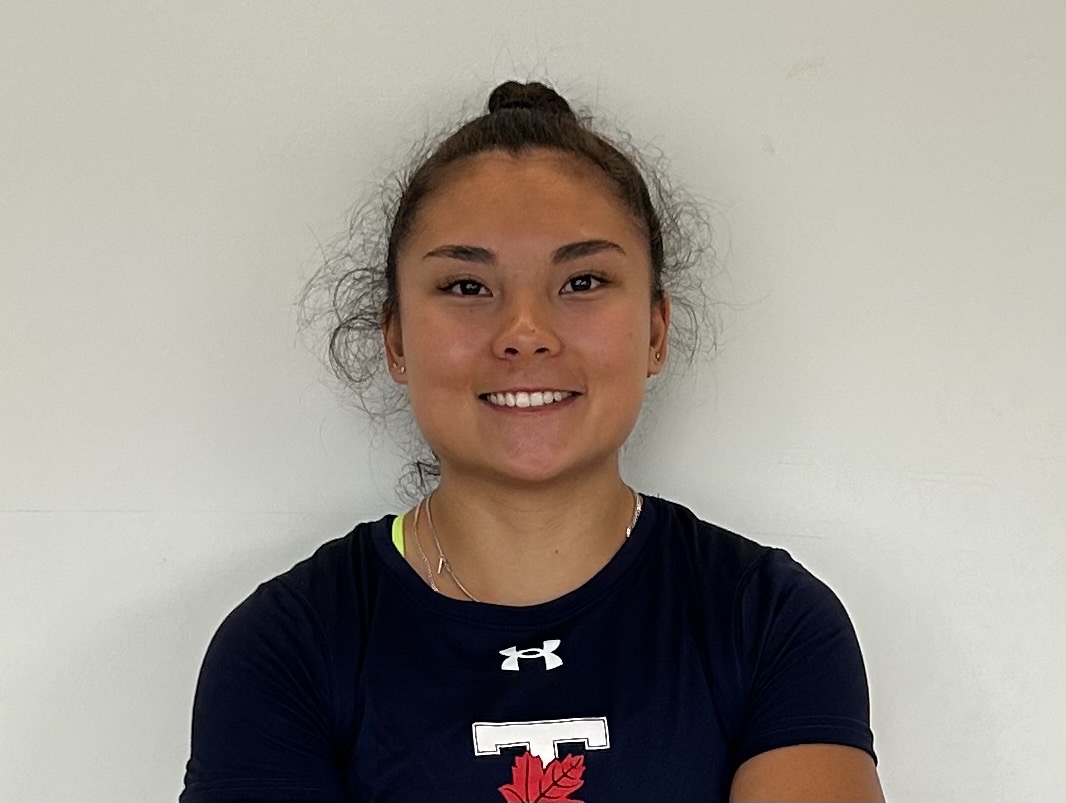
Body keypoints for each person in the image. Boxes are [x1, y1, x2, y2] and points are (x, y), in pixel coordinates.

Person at [179, 80, 884, 802]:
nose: (525, 333)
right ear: (394, 338)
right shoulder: (285, 647)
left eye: (582, 280)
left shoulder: (768, 621)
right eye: (465, 287)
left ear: (655, 329)